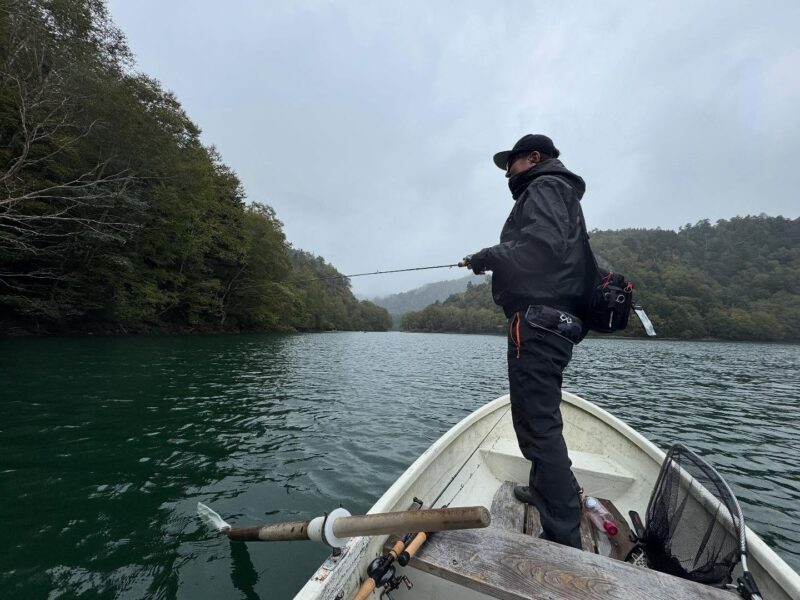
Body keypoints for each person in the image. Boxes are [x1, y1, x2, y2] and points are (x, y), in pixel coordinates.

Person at [459, 134, 589, 549]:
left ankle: (563, 537)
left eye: (510, 164)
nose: (507, 173)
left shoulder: (545, 186)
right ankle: (549, 492)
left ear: (533, 158)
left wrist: (486, 257)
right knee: (541, 418)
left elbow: (541, 248)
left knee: (536, 426)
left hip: (537, 319)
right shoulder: (558, 190)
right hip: (555, 321)